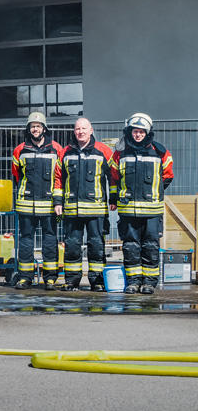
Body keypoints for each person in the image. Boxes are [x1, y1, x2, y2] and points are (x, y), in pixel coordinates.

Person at [110, 113, 174, 294]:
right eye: (135, 131)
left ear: (148, 132)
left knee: (151, 246)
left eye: (141, 131)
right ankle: (133, 282)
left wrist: (154, 192)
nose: (138, 135)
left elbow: (167, 177)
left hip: (152, 210)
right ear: (129, 132)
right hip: (128, 210)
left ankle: (149, 283)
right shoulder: (119, 153)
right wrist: (113, 199)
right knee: (130, 246)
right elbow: (114, 179)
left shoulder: (160, 152)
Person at [53, 117, 115, 291]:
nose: (80, 132)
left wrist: (114, 199)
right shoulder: (65, 152)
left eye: (84, 129)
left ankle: (97, 281)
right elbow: (58, 178)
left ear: (91, 130)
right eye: (77, 129)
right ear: (74, 131)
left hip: (96, 210)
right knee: (72, 245)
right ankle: (72, 281)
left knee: (96, 245)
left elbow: (114, 176)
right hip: (72, 209)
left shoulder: (103, 151)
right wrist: (58, 201)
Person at [11, 112, 63, 290]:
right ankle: (25, 278)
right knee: (26, 242)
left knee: (50, 241)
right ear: (28, 129)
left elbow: (59, 178)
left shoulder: (56, 149)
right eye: (32, 126)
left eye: (38, 126)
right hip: (26, 205)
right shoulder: (19, 150)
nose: (35, 129)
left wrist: (58, 201)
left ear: (44, 128)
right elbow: (16, 175)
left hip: (49, 206)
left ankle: (50, 279)